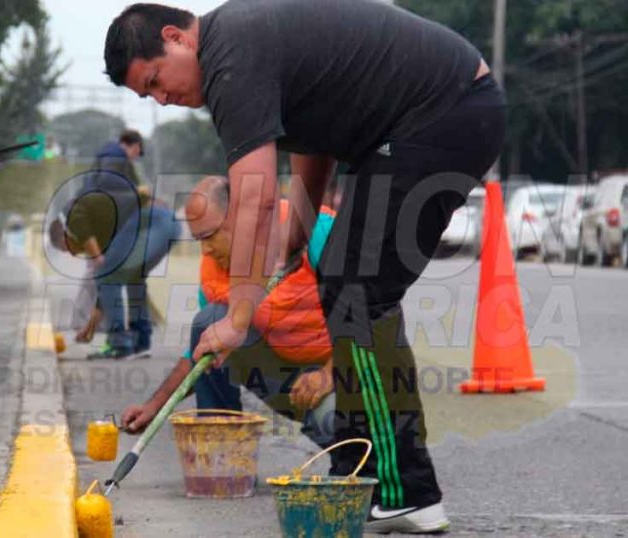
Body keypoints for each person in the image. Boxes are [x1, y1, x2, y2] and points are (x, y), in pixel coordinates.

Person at [105, 1, 505, 533]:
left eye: (155, 81)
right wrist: (301, 229)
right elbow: (316, 142)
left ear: (178, 38)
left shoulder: (230, 55)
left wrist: (239, 316)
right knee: (346, 279)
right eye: (147, 96)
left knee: (358, 289)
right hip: (424, 121)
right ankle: (361, 471)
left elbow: (253, 198)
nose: (163, 99)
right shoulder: (242, 49)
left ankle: (403, 487)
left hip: (444, 111)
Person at [122, 176, 338, 448]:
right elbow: (200, 356)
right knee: (210, 322)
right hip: (283, 380)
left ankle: (360, 466)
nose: (206, 250)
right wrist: (154, 406)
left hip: (343, 371)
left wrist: (329, 375)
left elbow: (370, 316)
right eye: (198, 239)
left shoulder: (314, 230)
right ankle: (221, 454)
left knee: (331, 420)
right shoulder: (213, 269)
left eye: (209, 236)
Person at [50, 132, 179, 359]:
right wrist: (90, 328)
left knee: (109, 275)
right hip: (167, 223)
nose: (72, 253)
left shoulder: (72, 213)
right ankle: (140, 342)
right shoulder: (104, 228)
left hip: (153, 222)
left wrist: (98, 257)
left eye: (66, 248)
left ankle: (120, 344)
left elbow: (101, 266)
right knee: (130, 279)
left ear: (64, 235)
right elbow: (105, 290)